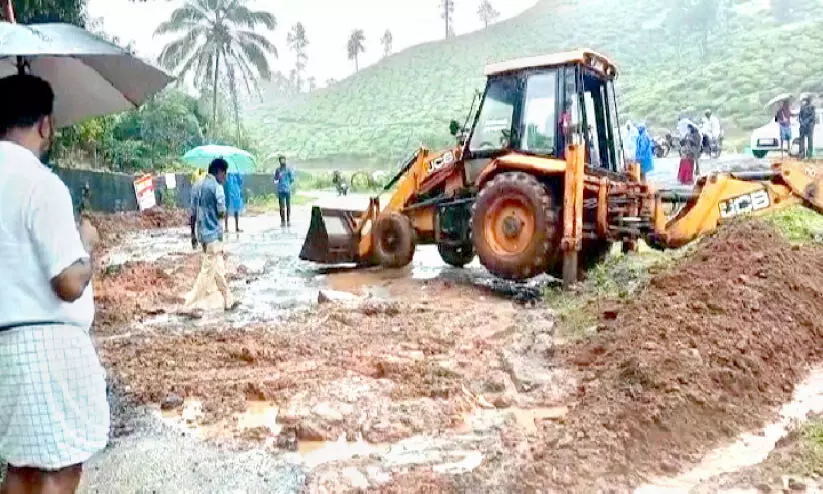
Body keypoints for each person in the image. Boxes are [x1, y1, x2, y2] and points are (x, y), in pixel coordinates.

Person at [0, 74, 109, 494]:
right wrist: (87, 245)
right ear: (45, 124)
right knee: (58, 470)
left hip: (5, 345)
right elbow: (68, 282)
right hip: (45, 345)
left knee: (20, 468)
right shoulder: (40, 183)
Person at [185, 158, 237, 312]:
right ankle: (190, 303)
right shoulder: (217, 187)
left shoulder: (196, 185)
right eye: (225, 173)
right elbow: (221, 212)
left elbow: (192, 213)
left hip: (201, 234)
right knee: (207, 271)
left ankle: (228, 299)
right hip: (213, 234)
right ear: (219, 172)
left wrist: (192, 235)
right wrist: (223, 210)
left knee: (218, 268)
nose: (225, 177)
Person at [273, 155, 295, 227]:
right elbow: (275, 180)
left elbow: (292, 179)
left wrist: (287, 183)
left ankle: (288, 220)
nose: (283, 161)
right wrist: (278, 179)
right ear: (279, 161)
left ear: (285, 160)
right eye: (281, 160)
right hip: (280, 190)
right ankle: (282, 220)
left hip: (287, 190)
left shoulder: (288, 170)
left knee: (288, 206)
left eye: (284, 160)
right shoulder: (277, 170)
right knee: (281, 206)